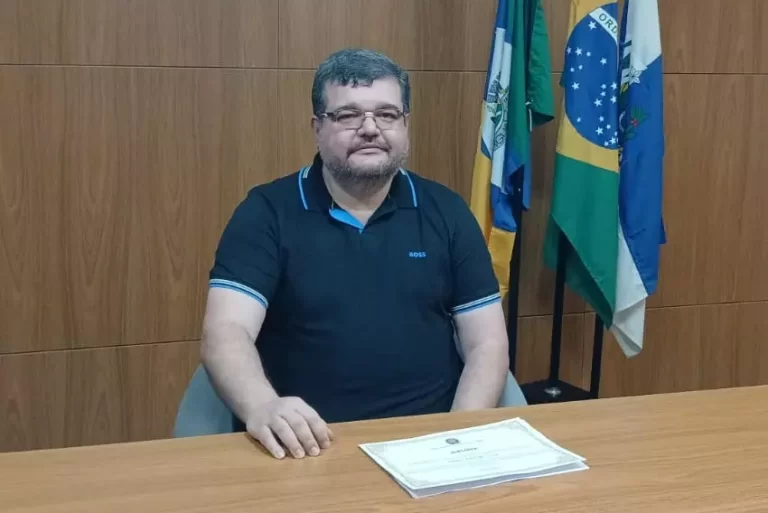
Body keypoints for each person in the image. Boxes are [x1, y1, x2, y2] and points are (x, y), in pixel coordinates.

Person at [200, 48, 509, 460]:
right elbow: (226, 332)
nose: (370, 129)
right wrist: (262, 406)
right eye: (348, 115)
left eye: (387, 114)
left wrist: (455, 437)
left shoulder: (447, 212)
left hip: (429, 443)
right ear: (317, 128)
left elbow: (487, 343)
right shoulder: (266, 213)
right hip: (305, 446)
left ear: (405, 125)